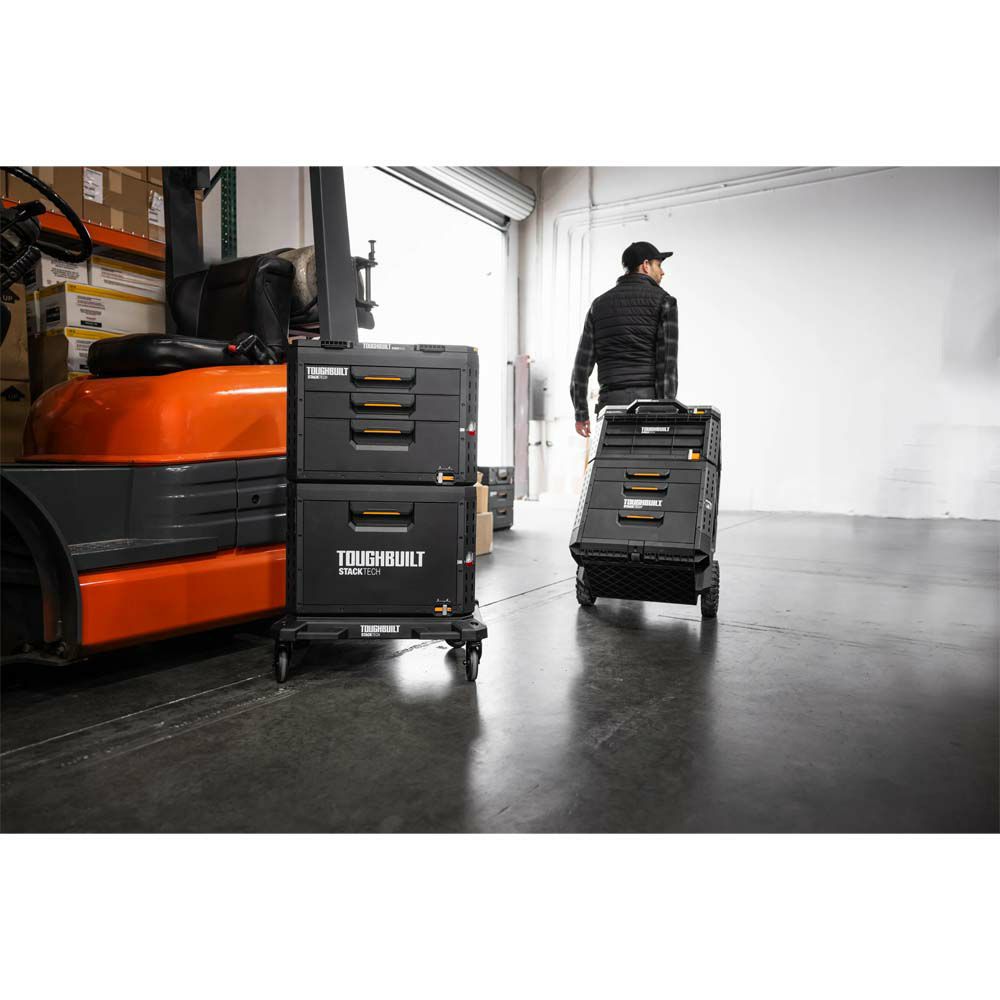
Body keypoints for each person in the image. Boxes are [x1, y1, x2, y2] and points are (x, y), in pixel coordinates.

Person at [570, 241, 678, 437]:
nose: (662, 272)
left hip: (609, 406)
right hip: (648, 406)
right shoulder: (664, 301)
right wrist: (667, 411)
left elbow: (581, 367)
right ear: (645, 265)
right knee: (648, 458)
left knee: (612, 457)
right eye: (659, 265)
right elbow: (667, 365)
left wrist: (581, 414)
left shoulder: (598, 305)